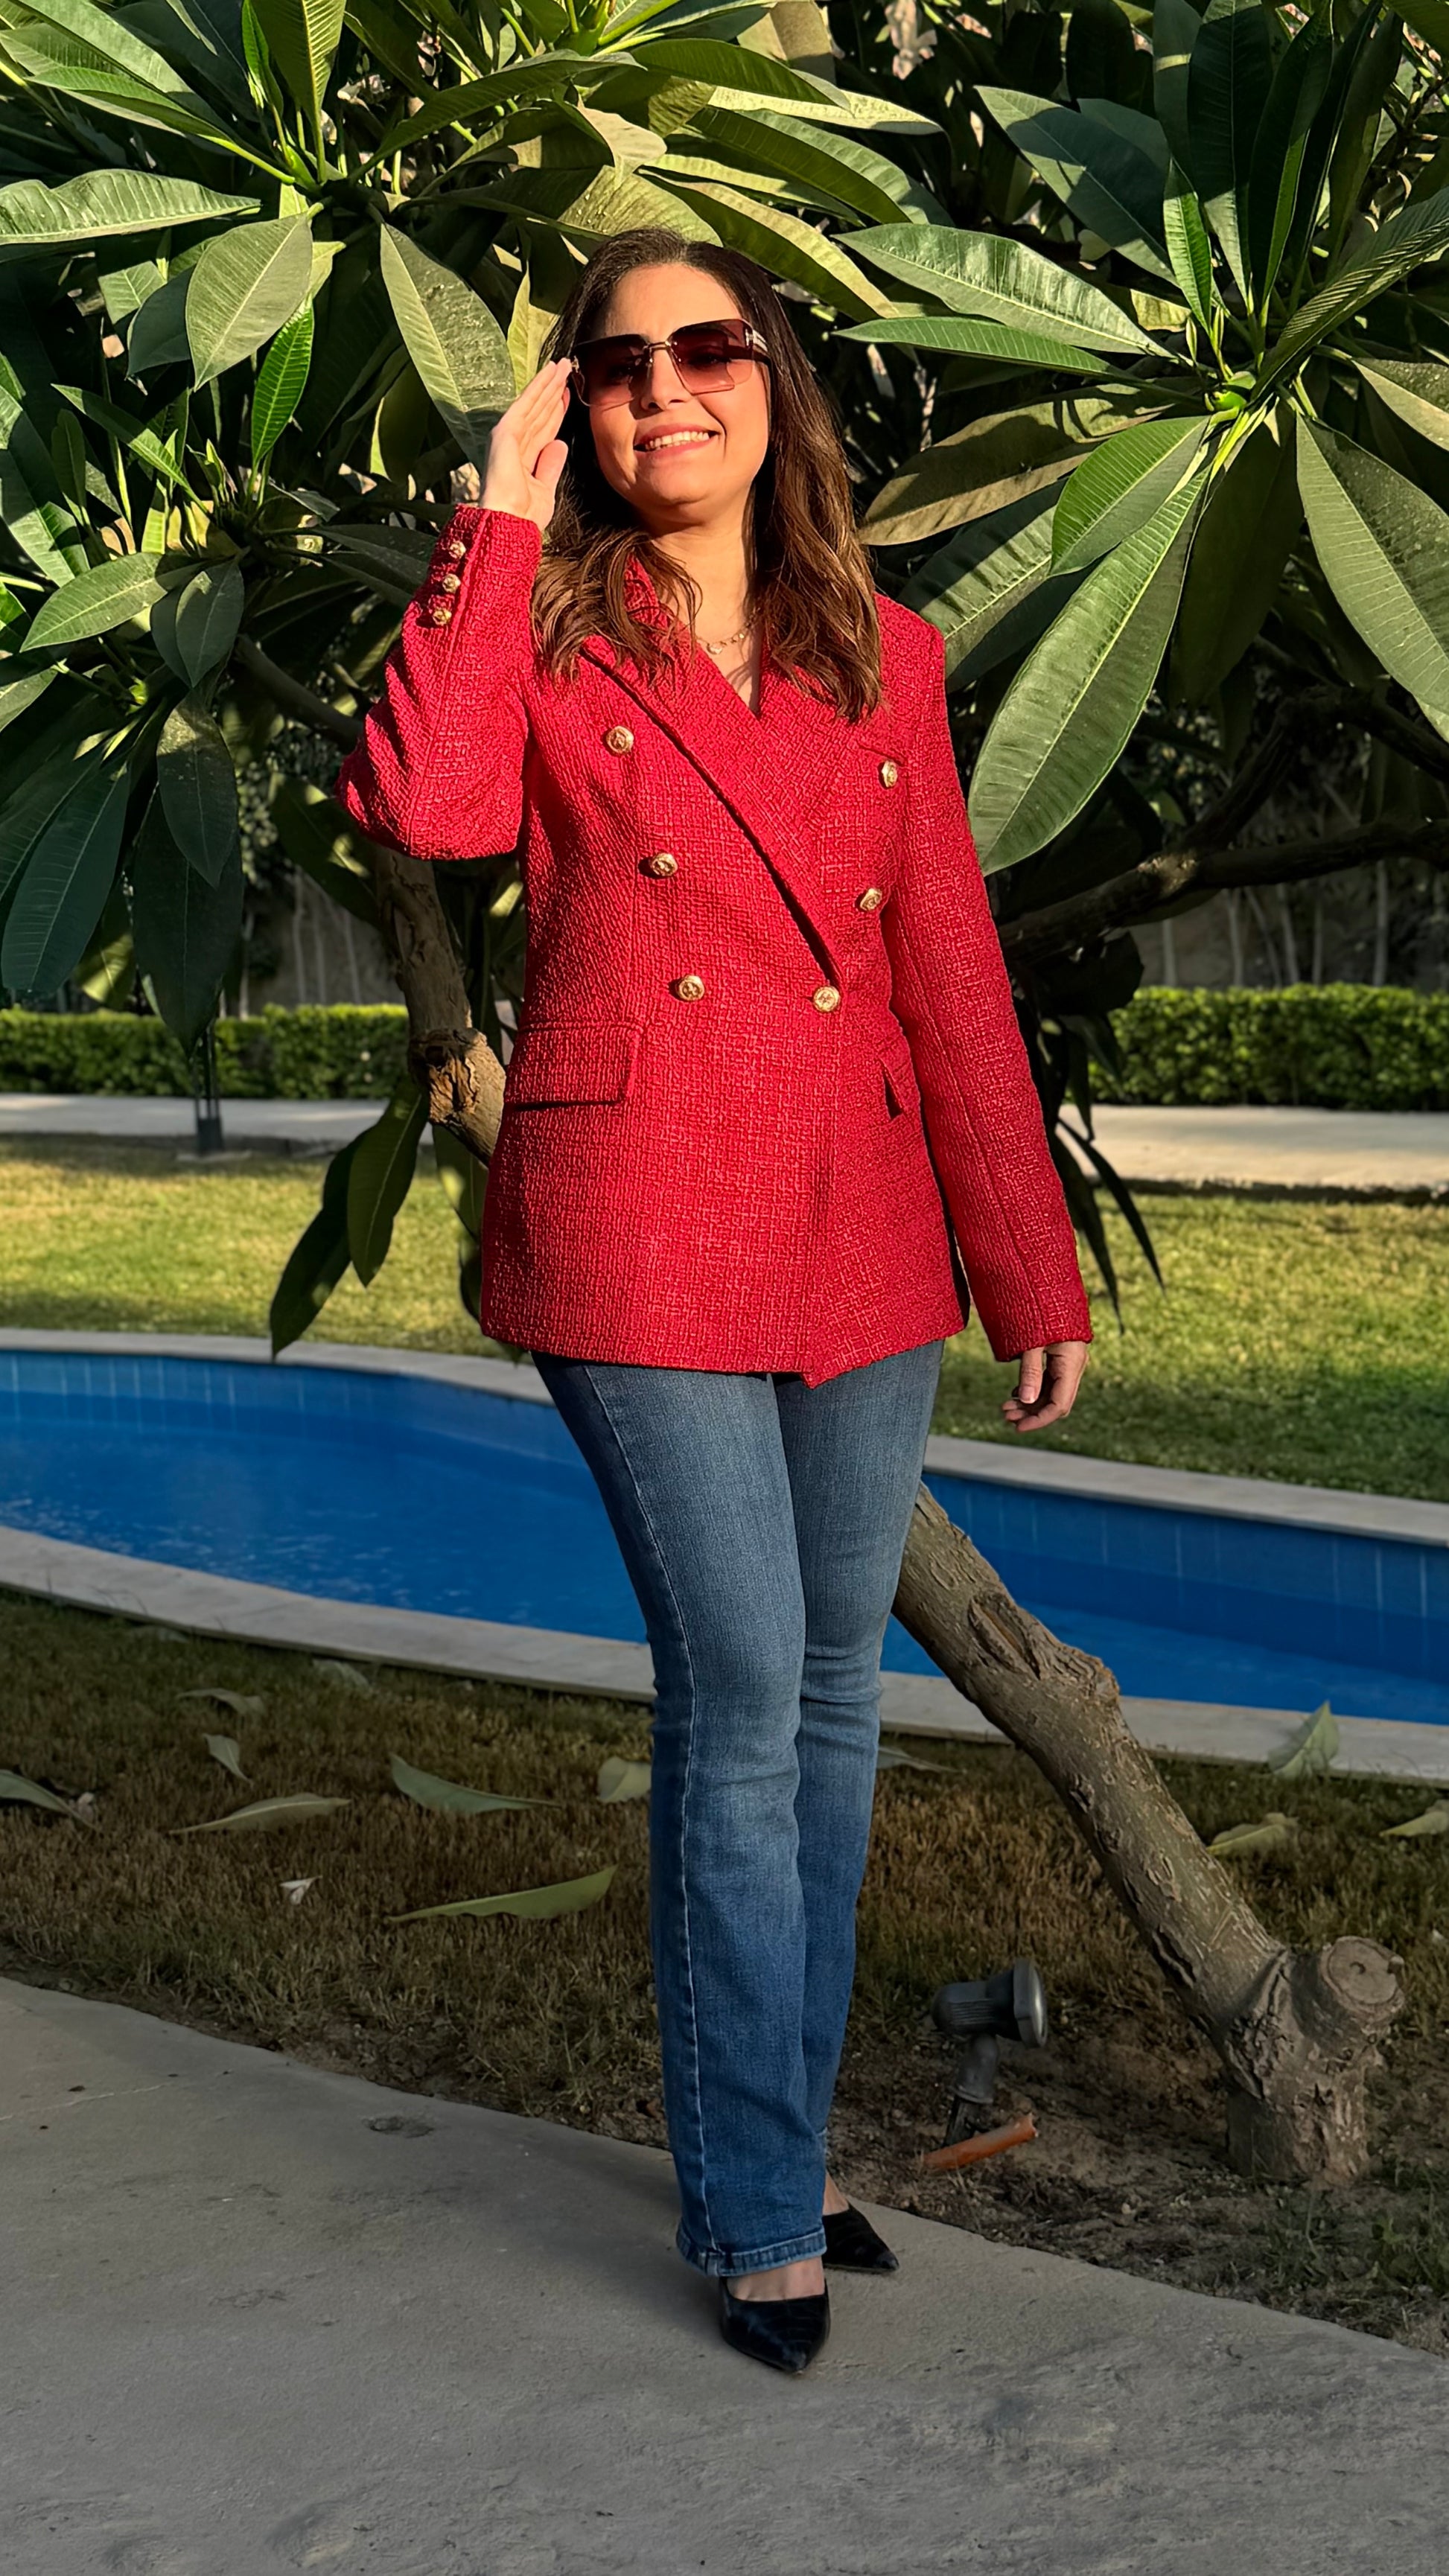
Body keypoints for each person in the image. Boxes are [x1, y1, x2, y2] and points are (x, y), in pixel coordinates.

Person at [335, 225, 1091, 2376]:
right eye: (617, 361)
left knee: (836, 1696)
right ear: (573, 408)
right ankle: (755, 2199)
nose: (667, 383)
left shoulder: (887, 656)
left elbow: (948, 963)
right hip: (638, 1211)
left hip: (864, 1221)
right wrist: (492, 523)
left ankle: (787, 2137)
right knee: (746, 1689)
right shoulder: (546, 628)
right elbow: (427, 809)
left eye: (711, 345)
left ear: (776, 382)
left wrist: (1022, 1251)